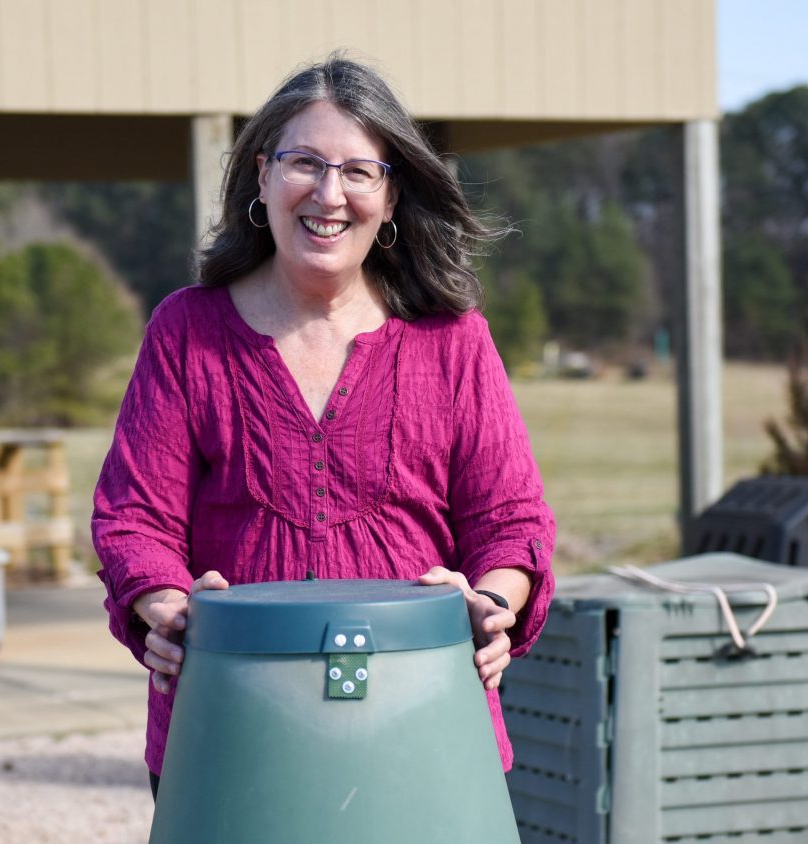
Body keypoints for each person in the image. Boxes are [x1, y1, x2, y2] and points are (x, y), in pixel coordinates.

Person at [92, 54, 556, 795]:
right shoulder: (187, 331)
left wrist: (493, 606)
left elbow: (512, 520)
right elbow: (133, 518)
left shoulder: (453, 339)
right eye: (303, 163)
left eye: (358, 171)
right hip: (232, 726)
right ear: (262, 176)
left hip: (424, 726)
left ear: (393, 192)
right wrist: (167, 607)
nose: (328, 194)